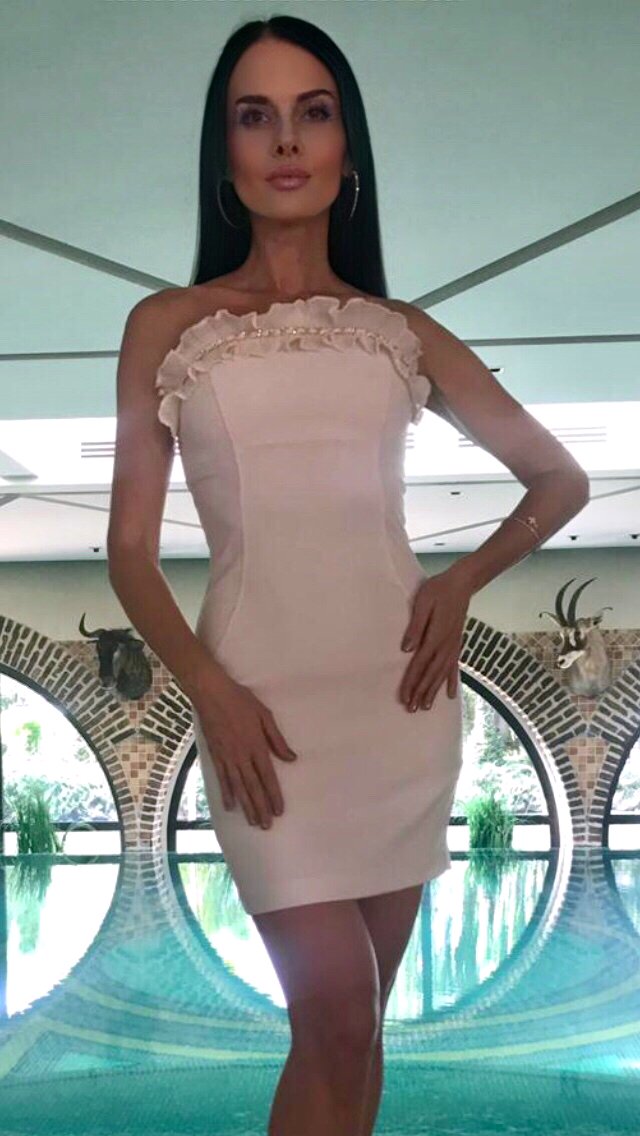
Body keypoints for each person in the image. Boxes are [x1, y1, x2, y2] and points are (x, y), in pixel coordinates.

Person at [107, 15, 590, 1136]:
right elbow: (131, 552)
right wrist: (210, 692)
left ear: (346, 148)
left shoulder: (400, 332)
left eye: (312, 112)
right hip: (257, 712)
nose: (287, 140)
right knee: (329, 1013)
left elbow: (557, 479)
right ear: (225, 151)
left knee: (360, 1027)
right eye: (255, 115)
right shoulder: (166, 327)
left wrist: (460, 580)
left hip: (397, 702)